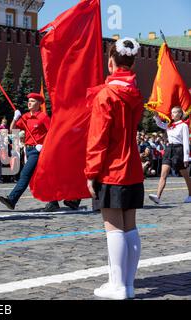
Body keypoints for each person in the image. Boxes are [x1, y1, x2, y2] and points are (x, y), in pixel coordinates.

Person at [85, 38, 144, 300]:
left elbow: (98, 138)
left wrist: (90, 172)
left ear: (111, 63)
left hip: (111, 170)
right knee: (130, 227)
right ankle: (127, 285)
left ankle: (117, 286)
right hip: (132, 168)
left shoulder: (106, 95)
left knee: (114, 229)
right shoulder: (136, 94)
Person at [0, 93, 50, 210]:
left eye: (32, 101)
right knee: (43, 177)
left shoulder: (43, 117)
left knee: (25, 175)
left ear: (39, 104)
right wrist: (15, 118)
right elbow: (13, 129)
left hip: (38, 151)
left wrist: (44, 145)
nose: (29, 102)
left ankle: (12, 199)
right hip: (28, 150)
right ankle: (55, 202)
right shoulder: (25, 116)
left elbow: (52, 133)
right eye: (29, 101)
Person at [148, 107, 191, 204]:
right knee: (163, 174)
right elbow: (159, 124)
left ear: (180, 114)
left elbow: (186, 142)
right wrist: (156, 115)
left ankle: (190, 194)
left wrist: (186, 157)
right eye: (171, 112)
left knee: (185, 176)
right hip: (169, 149)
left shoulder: (183, 125)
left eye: (174, 112)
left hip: (179, 150)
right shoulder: (169, 125)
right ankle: (158, 196)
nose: (172, 114)